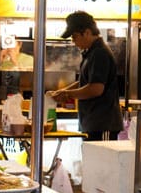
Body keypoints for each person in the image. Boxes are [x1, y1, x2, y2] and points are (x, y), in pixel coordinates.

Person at [49, 11, 123, 141]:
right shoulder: (91, 53)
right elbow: (85, 82)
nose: (73, 41)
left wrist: (68, 94)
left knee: (101, 161)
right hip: (93, 123)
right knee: (93, 161)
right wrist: (64, 91)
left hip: (102, 124)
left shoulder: (99, 53)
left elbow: (95, 88)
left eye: (75, 36)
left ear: (87, 32)